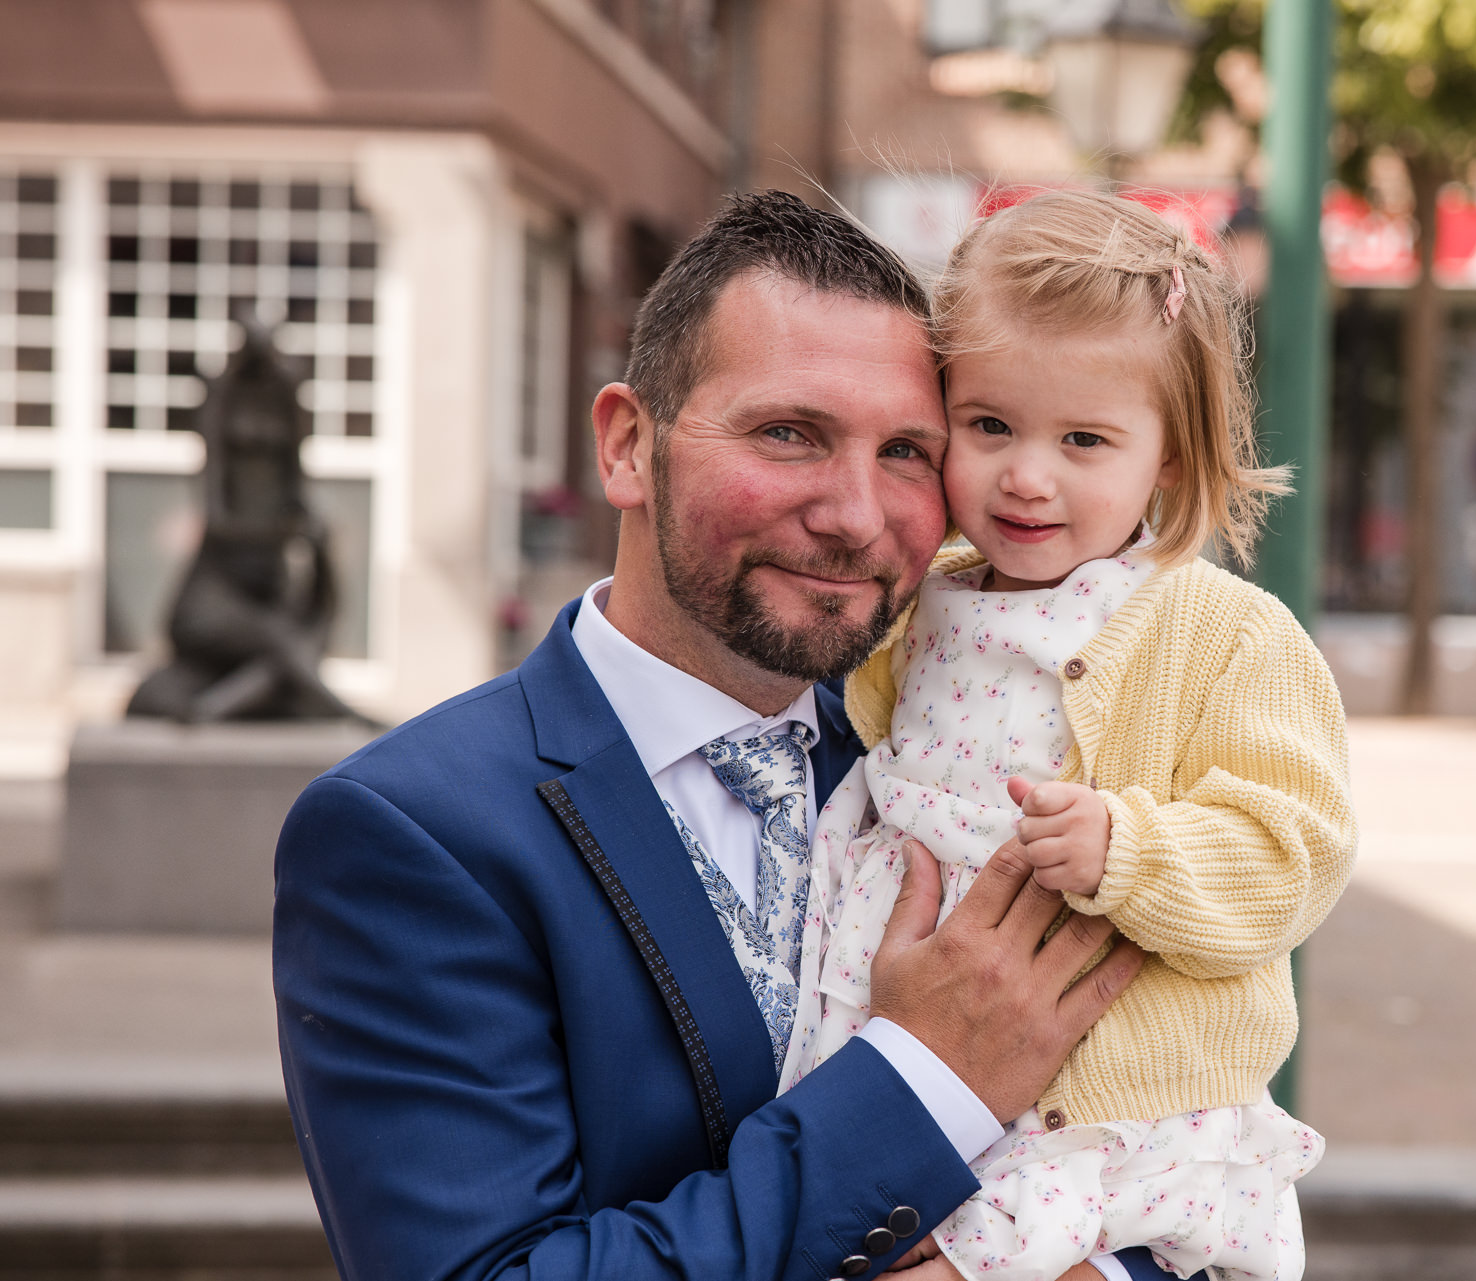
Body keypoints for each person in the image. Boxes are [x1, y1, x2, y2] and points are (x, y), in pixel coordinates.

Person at [272, 190, 1153, 1281]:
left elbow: (1170, 1131)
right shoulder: (412, 834)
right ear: (629, 445)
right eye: (791, 434)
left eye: (909, 454)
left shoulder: (970, 759)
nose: (855, 513)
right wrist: (925, 1075)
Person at [780, 190, 1359, 1281]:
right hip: (907, 1055)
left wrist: (1127, 851)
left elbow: (1297, 852)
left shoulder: (1222, 632)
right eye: (991, 425)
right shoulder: (919, 608)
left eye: (1084, 440)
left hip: (1100, 1115)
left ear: (1170, 463)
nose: (1027, 475)